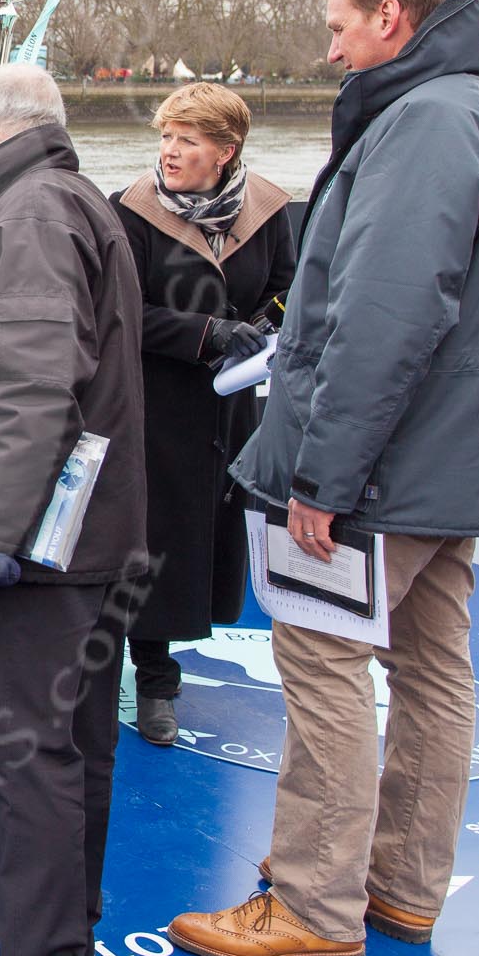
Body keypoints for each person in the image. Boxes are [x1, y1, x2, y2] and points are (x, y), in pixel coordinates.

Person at [170, 0, 479, 956]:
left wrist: (323, 475)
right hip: (451, 463)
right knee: (433, 670)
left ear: (389, 16)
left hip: (384, 468)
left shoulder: (421, 122)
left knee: (324, 664)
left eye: (337, 27)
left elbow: (386, 315)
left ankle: (313, 900)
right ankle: (404, 890)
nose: (328, 49)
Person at [0, 64, 148, 956]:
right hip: (99, 532)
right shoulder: (72, 197)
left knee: (27, 753)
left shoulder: (32, 214)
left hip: (51, 548)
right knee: (78, 737)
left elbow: (33, 386)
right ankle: (52, 919)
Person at [114, 83, 295, 745]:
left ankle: (172, 664)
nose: (170, 151)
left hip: (230, 410)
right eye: (166, 137)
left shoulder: (270, 209)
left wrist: (256, 330)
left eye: (187, 140)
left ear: (226, 150)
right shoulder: (130, 211)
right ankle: (154, 682)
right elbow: (121, 311)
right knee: (155, 546)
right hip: (156, 409)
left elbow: (288, 290)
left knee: (210, 547)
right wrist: (207, 333)